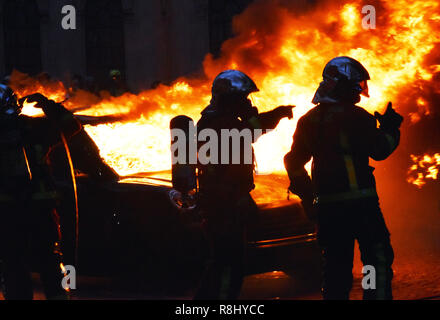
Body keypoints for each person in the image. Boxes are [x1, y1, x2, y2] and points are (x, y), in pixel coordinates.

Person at [284, 56, 403, 300]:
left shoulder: (308, 121)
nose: (359, 91)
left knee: (336, 269)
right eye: (355, 85)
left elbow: (293, 162)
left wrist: (310, 200)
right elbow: (380, 150)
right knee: (375, 260)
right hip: (362, 207)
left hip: (328, 210)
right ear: (341, 85)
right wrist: (390, 128)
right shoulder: (357, 117)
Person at [194, 70, 294, 299]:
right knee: (229, 265)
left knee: (220, 262)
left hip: (221, 202)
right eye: (243, 98)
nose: (248, 102)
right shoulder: (222, 123)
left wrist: (275, 114)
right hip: (224, 205)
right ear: (230, 99)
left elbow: (251, 130)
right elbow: (251, 132)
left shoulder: (215, 119)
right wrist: (274, 115)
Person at [0, 85, 82, 299]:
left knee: (13, 265)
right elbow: (71, 126)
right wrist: (47, 104)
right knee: (51, 262)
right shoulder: (34, 128)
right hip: (40, 211)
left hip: (8, 213)